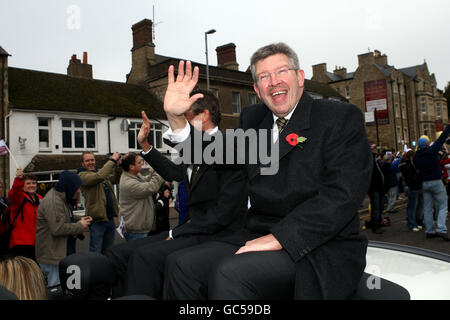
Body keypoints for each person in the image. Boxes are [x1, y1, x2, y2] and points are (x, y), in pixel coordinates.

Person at [162, 43, 372, 300]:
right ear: (257, 90)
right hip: (257, 233)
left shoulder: (338, 117)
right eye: (264, 76)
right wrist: (176, 118)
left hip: (321, 244)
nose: (274, 81)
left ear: (300, 77)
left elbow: (343, 195)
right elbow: (208, 156)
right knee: (181, 265)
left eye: (282, 71)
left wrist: (281, 237)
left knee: (230, 273)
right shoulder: (253, 118)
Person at [103, 88, 248, 298]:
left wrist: (176, 233)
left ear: (204, 116)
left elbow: (221, 216)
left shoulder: (229, 149)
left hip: (220, 235)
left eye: (183, 118)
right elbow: (174, 172)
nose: (178, 126)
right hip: (194, 229)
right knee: (118, 254)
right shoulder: (194, 150)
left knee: (144, 257)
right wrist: (145, 145)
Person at [35, 170, 93, 287]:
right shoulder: (54, 202)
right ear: (69, 186)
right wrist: (79, 226)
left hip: (60, 254)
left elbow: (65, 217)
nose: (78, 191)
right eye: (76, 187)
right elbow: (57, 228)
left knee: (64, 288)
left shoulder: (61, 197)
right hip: (53, 258)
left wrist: (79, 219)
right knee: (56, 289)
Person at [78, 152, 121, 254]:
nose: (90, 163)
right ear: (82, 163)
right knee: (95, 251)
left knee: (108, 251)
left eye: (92, 160)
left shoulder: (101, 174)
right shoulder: (82, 176)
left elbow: (115, 179)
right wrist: (112, 160)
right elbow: (99, 177)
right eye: (87, 161)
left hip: (109, 218)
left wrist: (119, 166)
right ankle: (94, 270)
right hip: (97, 220)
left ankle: (106, 269)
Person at [414, 125, 450, 241]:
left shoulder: (416, 156)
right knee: (443, 205)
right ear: (427, 144)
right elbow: (441, 139)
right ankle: (441, 229)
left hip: (425, 183)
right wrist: (448, 127)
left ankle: (429, 231)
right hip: (436, 181)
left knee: (428, 208)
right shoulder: (431, 151)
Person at [119, 152, 164, 241]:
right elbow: (151, 187)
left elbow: (146, 181)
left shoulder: (132, 175)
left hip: (137, 226)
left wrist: (153, 169)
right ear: (131, 167)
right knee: (136, 253)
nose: (142, 164)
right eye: (139, 162)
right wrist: (160, 169)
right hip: (136, 230)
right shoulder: (129, 183)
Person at [6, 168, 42, 260]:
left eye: (34, 183)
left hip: (37, 243)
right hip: (20, 243)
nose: (31, 185)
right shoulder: (19, 199)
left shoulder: (40, 199)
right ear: (23, 186)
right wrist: (18, 179)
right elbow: (13, 194)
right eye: (28, 183)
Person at [398, 150, 422, 232]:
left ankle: (414, 223)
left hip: (411, 186)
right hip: (412, 187)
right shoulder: (407, 165)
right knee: (412, 207)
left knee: (412, 206)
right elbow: (411, 176)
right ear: (411, 156)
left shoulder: (405, 164)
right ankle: (412, 224)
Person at [367, 144, 386, 234]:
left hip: (380, 187)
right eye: (374, 148)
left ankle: (378, 224)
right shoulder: (369, 160)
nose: (376, 150)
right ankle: (376, 226)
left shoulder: (376, 160)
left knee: (380, 207)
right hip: (374, 188)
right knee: (375, 208)